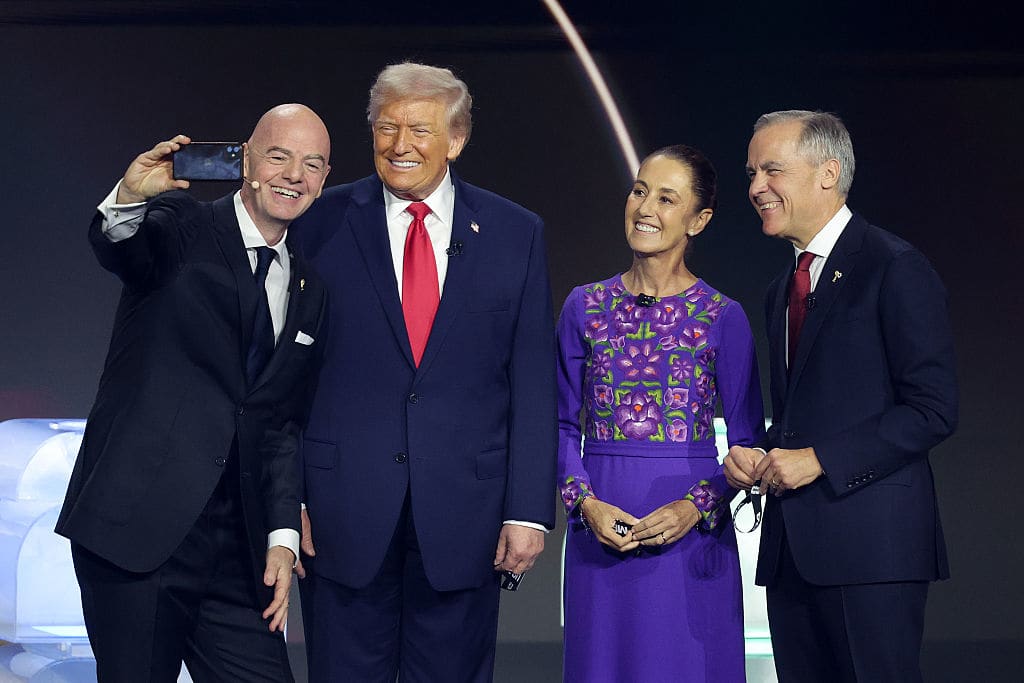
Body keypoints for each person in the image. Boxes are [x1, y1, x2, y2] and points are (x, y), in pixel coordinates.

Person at [292, 62, 556, 682]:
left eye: (419, 129)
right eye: (386, 128)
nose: (399, 145)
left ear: (456, 139)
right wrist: (291, 496)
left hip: (467, 510)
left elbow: (533, 382)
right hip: (339, 510)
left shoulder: (515, 233)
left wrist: (526, 510)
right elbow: (287, 374)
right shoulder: (322, 221)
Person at [56, 103, 332, 682]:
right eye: (279, 156)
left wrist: (281, 537)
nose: (294, 176)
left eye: (312, 164)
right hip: (138, 534)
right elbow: (122, 249)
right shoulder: (182, 224)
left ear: (323, 180)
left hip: (238, 553)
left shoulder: (310, 287)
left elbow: (281, 422)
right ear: (246, 162)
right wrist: (132, 198)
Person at [725, 110, 958, 681]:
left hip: (872, 552)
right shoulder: (781, 288)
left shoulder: (893, 266)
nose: (756, 187)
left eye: (772, 170)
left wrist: (819, 460)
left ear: (828, 173)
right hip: (791, 556)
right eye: (752, 172)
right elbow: (808, 409)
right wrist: (760, 453)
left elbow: (932, 409)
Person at [556, 145, 766, 682]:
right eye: (639, 190)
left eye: (667, 198)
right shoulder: (584, 306)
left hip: (690, 540)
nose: (645, 207)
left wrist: (695, 509)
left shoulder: (724, 316)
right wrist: (585, 504)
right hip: (599, 532)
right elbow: (557, 423)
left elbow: (747, 447)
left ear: (699, 219)